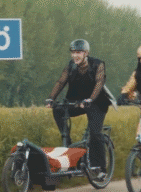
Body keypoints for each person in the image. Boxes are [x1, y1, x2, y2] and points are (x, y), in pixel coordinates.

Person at [45, 39, 110, 180]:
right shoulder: (71, 66)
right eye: (73, 53)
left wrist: (90, 100)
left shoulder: (98, 64)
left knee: (95, 133)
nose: (75, 56)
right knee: (58, 110)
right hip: (78, 102)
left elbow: (99, 83)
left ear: (86, 53)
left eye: (78, 52)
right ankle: (68, 143)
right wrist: (51, 98)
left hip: (97, 102)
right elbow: (61, 82)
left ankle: (100, 168)